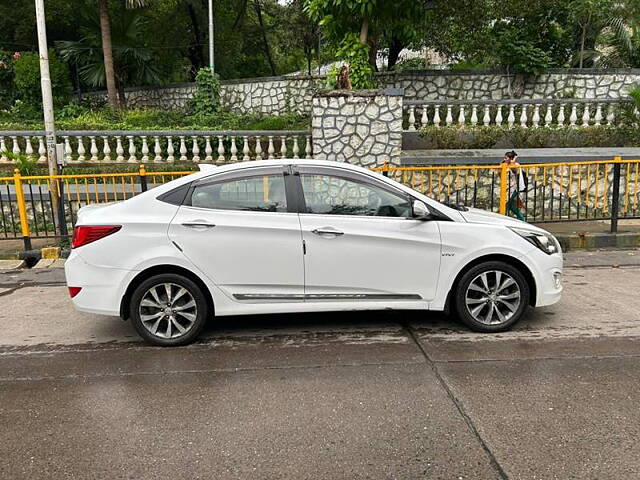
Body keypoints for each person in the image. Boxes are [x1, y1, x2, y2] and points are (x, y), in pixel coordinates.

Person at [502, 150, 526, 221]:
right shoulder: (504, 165)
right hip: (506, 187)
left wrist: (513, 160)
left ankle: (503, 218)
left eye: (506, 158)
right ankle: (521, 218)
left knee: (506, 204)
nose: (504, 159)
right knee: (511, 206)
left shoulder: (516, 165)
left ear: (510, 158)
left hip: (513, 188)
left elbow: (515, 169)